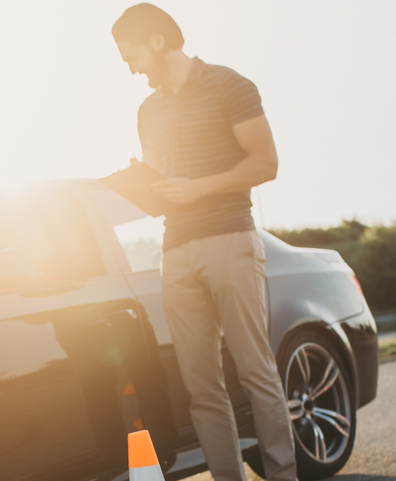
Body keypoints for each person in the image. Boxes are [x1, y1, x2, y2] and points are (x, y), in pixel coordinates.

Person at [111, 4, 296, 481]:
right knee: (201, 387)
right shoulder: (148, 110)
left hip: (229, 238)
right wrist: (140, 184)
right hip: (175, 248)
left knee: (254, 370)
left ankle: (282, 476)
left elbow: (265, 163)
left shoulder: (230, 85)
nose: (127, 66)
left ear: (157, 41)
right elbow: (162, 186)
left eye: (129, 54)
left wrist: (198, 187)